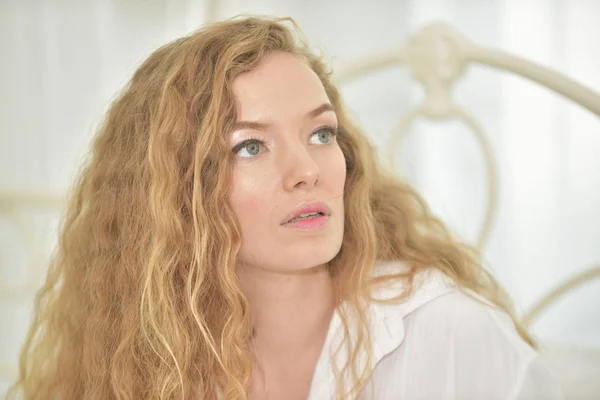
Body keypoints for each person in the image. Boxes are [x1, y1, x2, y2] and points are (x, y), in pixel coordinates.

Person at [8, 16, 563, 400]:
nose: (308, 170)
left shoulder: (447, 333)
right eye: (250, 146)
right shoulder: (147, 362)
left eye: (321, 134)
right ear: (176, 194)